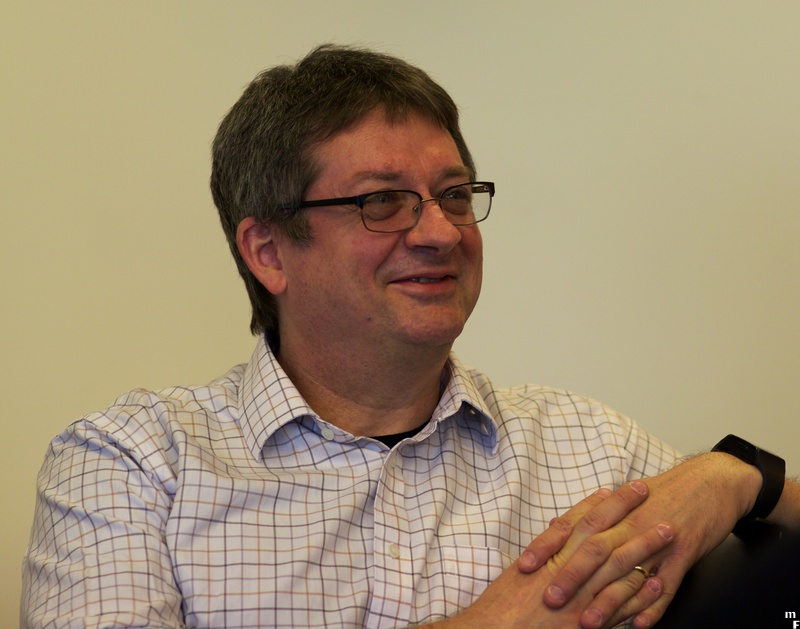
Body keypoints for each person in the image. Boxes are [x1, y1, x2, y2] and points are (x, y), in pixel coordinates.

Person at [21, 45, 799, 629]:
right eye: (383, 201)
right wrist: (501, 620)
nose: (440, 232)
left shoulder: (590, 444)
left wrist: (734, 476)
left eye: (455, 195)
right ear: (268, 251)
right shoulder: (131, 462)